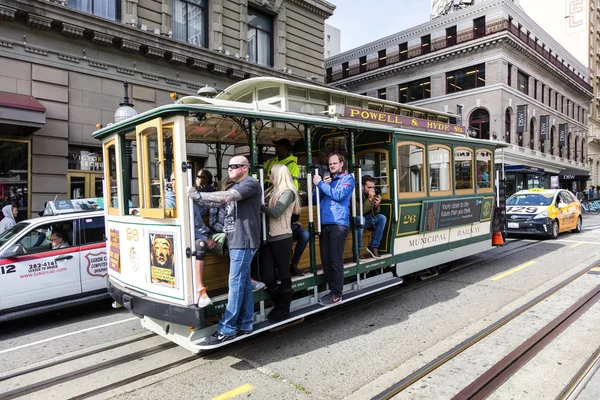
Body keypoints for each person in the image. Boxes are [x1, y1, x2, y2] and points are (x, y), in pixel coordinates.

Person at [186, 155, 262, 345]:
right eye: (228, 166)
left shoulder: (250, 183)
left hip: (244, 240)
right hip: (236, 240)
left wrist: (197, 194)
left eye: (234, 166)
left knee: (235, 283)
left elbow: (227, 197)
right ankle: (245, 324)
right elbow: (216, 202)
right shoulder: (234, 185)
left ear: (245, 168)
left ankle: (227, 329)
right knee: (243, 283)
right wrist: (197, 198)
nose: (230, 169)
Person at [260, 164, 301, 322]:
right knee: (268, 275)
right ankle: (279, 304)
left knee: (284, 274)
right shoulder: (270, 190)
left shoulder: (288, 192)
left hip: (282, 237)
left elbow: (276, 212)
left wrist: (260, 207)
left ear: (278, 174)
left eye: (271, 173)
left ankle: (284, 308)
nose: (269, 175)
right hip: (268, 238)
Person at [313, 153, 355, 306]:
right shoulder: (327, 181)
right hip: (325, 224)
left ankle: (337, 294)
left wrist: (321, 184)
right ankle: (332, 291)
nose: (332, 166)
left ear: (341, 163)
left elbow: (338, 195)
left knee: (335, 260)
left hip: (338, 223)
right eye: (330, 164)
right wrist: (320, 186)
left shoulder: (348, 178)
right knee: (326, 260)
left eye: (334, 163)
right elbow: (313, 200)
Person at [356, 175, 386, 259]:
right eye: (369, 187)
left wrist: (376, 205)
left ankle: (373, 246)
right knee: (361, 219)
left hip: (365, 219)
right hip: (352, 220)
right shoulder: (355, 193)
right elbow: (358, 212)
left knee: (382, 218)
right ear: (362, 186)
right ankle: (357, 251)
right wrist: (369, 199)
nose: (371, 190)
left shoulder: (371, 193)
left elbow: (375, 213)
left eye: (373, 187)